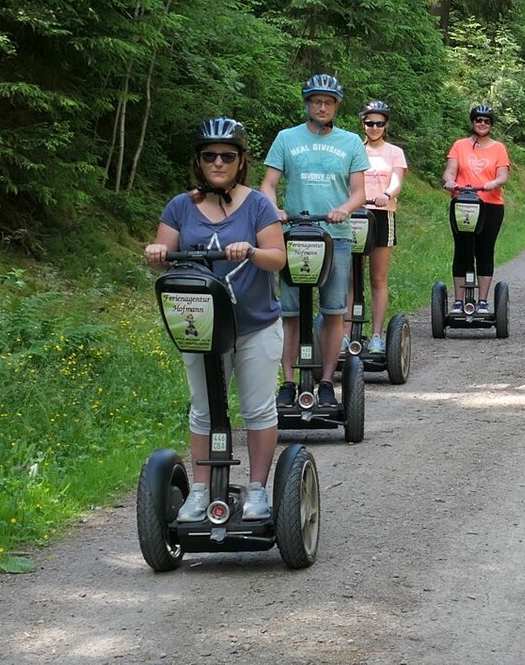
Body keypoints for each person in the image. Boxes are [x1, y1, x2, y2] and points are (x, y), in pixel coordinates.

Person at [143, 118, 288, 523]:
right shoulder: (180, 206)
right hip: (201, 327)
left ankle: (258, 489)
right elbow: (163, 250)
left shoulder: (258, 204)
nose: (218, 162)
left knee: (258, 409)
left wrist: (253, 252)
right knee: (203, 410)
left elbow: (279, 257)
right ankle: (201, 490)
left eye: (227, 156)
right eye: (210, 156)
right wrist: (156, 252)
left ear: (241, 161)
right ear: (199, 161)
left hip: (254, 324)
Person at [260, 74, 368, 407]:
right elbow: (267, 183)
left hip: (334, 235)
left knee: (334, 311)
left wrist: (344, 209)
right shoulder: (286, 138)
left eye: (328, 102)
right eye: (316, 101)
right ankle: (289, 383)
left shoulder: (350, 142)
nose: (322, 107)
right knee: (290, 314)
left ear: (336, 106)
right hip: (293, 235)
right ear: (307, 103)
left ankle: (325, 383)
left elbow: (359, 192)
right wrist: (273, 208)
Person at [442, 103, 510, 311]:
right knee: (462, 249)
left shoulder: (498, 148)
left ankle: (481, 301)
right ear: (472, 122)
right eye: (478, 120)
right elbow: (450, 170)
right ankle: (458, 301)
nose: (482, 124)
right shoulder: (460, 145)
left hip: (490, 205)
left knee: (484, 250)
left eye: (486, 121)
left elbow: (503, 175)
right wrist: (450, 182)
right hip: (463, 203)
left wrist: (494, 183)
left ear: (491, 125)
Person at [358, 99, 408, 354]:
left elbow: (397, 181)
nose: (374, 127)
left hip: (382, 215)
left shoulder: (394, 152)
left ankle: (377, 335)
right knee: (351, 278)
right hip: (356, 216)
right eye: (370, 123)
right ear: (363, 124)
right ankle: (347, 333)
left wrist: (387, 194)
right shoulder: (355, 148)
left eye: (379, 123)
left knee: (377, 278)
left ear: (386, 125)